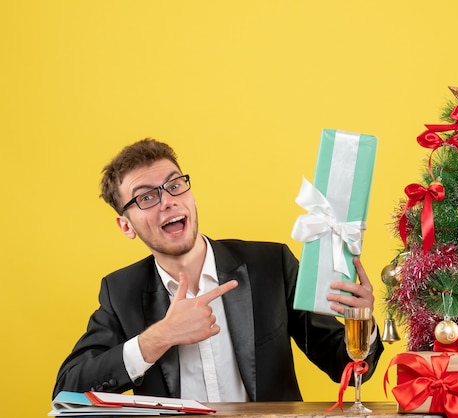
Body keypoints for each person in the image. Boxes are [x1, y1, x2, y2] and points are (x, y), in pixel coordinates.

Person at [53, 138, 384, 402]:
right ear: (126, 226)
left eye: (174, 185)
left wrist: (361, 321)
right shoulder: (120, 292)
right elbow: (68, 391)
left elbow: (348, 366)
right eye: (146, 198)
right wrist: (159, 337)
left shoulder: (271, 265)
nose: (167, 201)